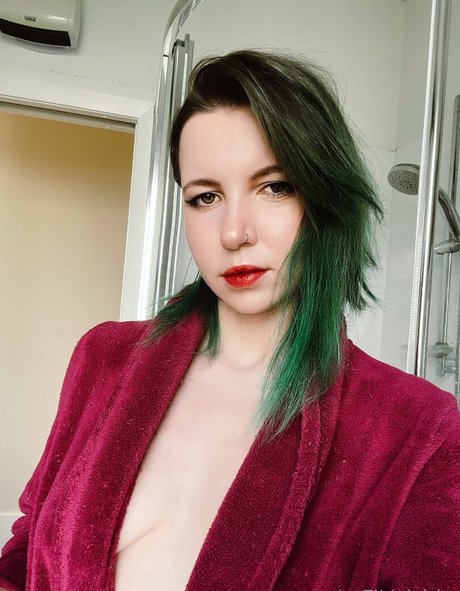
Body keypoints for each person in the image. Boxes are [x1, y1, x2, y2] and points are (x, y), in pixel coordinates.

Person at [1, 49, 459, 591]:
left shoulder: (418, 429)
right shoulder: (104, 358)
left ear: (326, 199)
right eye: (205, 197)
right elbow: (27, 550)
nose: (233, 232)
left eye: (275, 187)